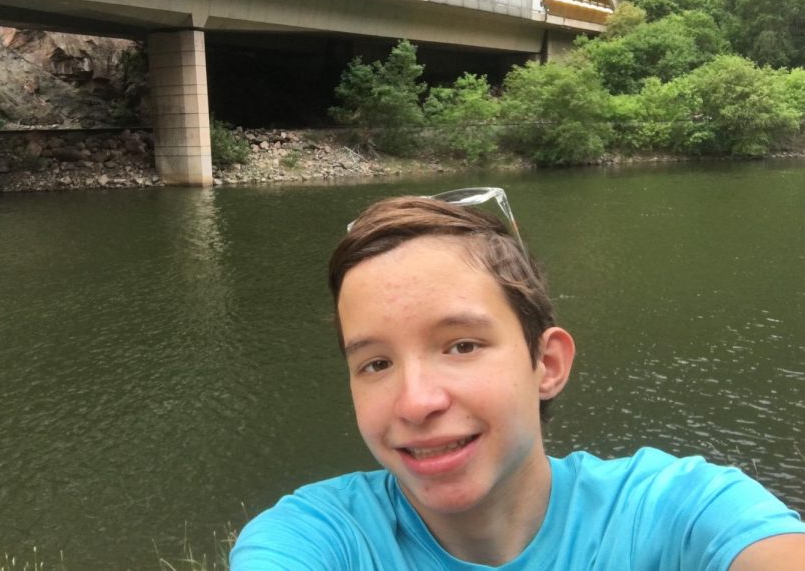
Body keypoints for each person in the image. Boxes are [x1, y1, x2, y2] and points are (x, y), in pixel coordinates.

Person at [230, 187, 805, 570]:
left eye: (462, 345)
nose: (415, 401)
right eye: (375, 363)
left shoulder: (676, 512)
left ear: (546, 364)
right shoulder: (316, 539)